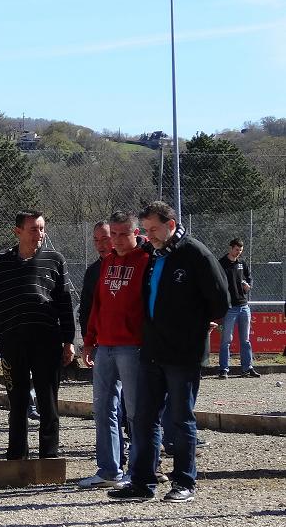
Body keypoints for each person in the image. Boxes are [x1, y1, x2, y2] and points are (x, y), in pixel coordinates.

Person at [109, 201, 229, 504]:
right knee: (144, 418)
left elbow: (220, 301)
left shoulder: (196, 254)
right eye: (146, 231)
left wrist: (194, 327)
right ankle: (142, 482)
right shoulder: (152, 255)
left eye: (153, 230)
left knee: (180, 418)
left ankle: (185, 482)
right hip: (152, 350)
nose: (149, 236)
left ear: (171, 224)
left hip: (183, 353)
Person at [0, 210, 76, 460]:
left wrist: (69, 340)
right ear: (18, 232)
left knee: (48, 399)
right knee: (18, 399)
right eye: (34, 229)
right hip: (12, 340)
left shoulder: (55, 259)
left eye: (42, 228)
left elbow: (65, 303)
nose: (40, 234)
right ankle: (17, 454)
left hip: (47, 340)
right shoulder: (0, 261)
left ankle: (49, 453)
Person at [78, 212, 149, 488]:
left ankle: (138, 471)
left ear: (135, 233)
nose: (116, 241)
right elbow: (97, 305)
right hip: (104, 346)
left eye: (121, 234)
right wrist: (90, 339)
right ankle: (108, 470)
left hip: (133, 346)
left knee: (135, 412)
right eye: (113, 235)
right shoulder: (106, 263)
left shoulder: (146, 261)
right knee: (103, 409)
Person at [218, 238, 259, 379]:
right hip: (230, 308)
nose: (238, 253)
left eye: (240, 251)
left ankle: (247, 368)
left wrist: (248, 285)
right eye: (236, 250)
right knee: (226, 340)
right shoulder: (221, 263)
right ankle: (224, 369)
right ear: (231, 248)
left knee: (245, 340)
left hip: (244, 306)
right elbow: (217, 282)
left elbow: (249, 278)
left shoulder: (242, 263)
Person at [78, 221, 112, 341]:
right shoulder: (92, 271)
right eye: (96, 240)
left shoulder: (129, 265)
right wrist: (87, 341)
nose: (100, 245)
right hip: (99, 343)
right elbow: (85, 309)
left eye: (104, 239)